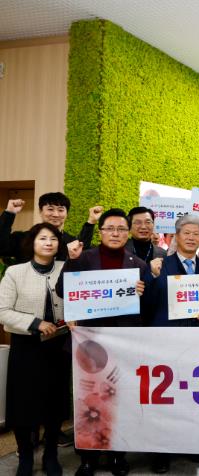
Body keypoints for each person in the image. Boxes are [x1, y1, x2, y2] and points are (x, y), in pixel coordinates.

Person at [55, 209, 148, 476]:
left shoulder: (138, 264)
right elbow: (63, 290)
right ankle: (88, 457)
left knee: (120, 400)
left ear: (128, 233)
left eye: (121, 229)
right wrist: (71, 261)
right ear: (101, 231)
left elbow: (146, 308)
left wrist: (142, 293)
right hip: (89, 342)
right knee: (89, 400)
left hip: (123, 342)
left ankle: (118, 454)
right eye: (110, 228)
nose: (115, 233)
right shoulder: (84, 258)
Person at [147, 214, 199, 473]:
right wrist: (153, 277)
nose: (191, 238)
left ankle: (191, 443)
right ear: (176, 236)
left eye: (196, 234)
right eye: (186, 233)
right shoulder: (159, 265)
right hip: (166, 340)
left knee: (192, 395)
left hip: (196, 341)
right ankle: (161, 451)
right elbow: (148, 304)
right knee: (165, 398)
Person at [0, 223, 69, 476]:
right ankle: (25, 456)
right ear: (32, 242)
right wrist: (36, 323)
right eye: (43, 238)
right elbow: (2, 310)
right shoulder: (15, 272)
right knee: (23, 405)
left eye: (53, 239)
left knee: (54, 403)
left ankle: (51, 454)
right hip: (26, 346)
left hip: (58, 345)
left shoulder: (66, 268)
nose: (48, 243)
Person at [0, 193, 101, 263]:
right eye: (50, 209)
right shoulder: (23, 238)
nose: (56, 214)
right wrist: (9, 213)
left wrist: (91, 221)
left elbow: (82, 250)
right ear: (40, 211)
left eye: (61, 210)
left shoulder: (70, 241)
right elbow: (2, 247)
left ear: (67, 213)